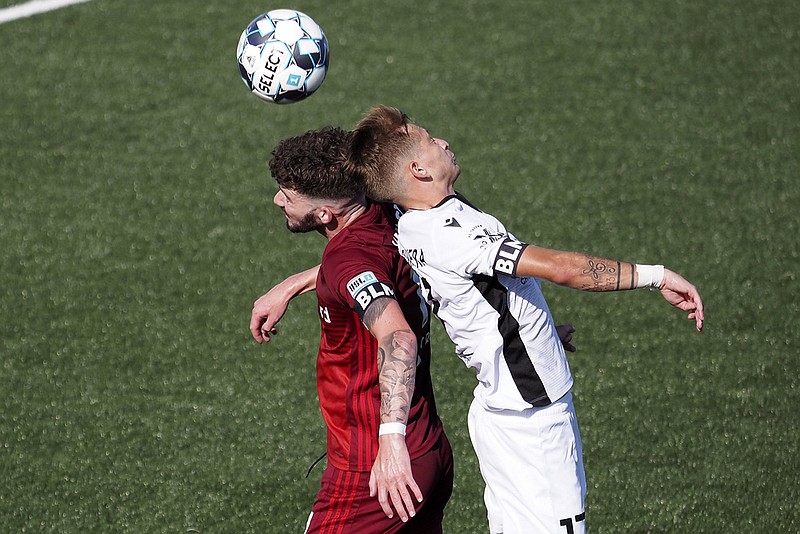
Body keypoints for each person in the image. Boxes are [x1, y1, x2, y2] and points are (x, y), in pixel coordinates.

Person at [344, 105, 705, 534]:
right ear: (418, 169)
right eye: (429, 139)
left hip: (498, 410)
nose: (442, 141)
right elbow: (562, 268)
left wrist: (541, 332)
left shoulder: (408, 220)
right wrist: (656, 276)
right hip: (532, 420)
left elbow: (480, 296)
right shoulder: (454, 232)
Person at [254, 126, 453, 534]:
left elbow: (398, 338)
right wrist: (295, 283)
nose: (278, 200)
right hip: (429, 450)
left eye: (288, 196)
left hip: (373, 470)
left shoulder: (348, 258)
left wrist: (391, 442)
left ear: (325, 215)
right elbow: (365, 268)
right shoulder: (386, 210)